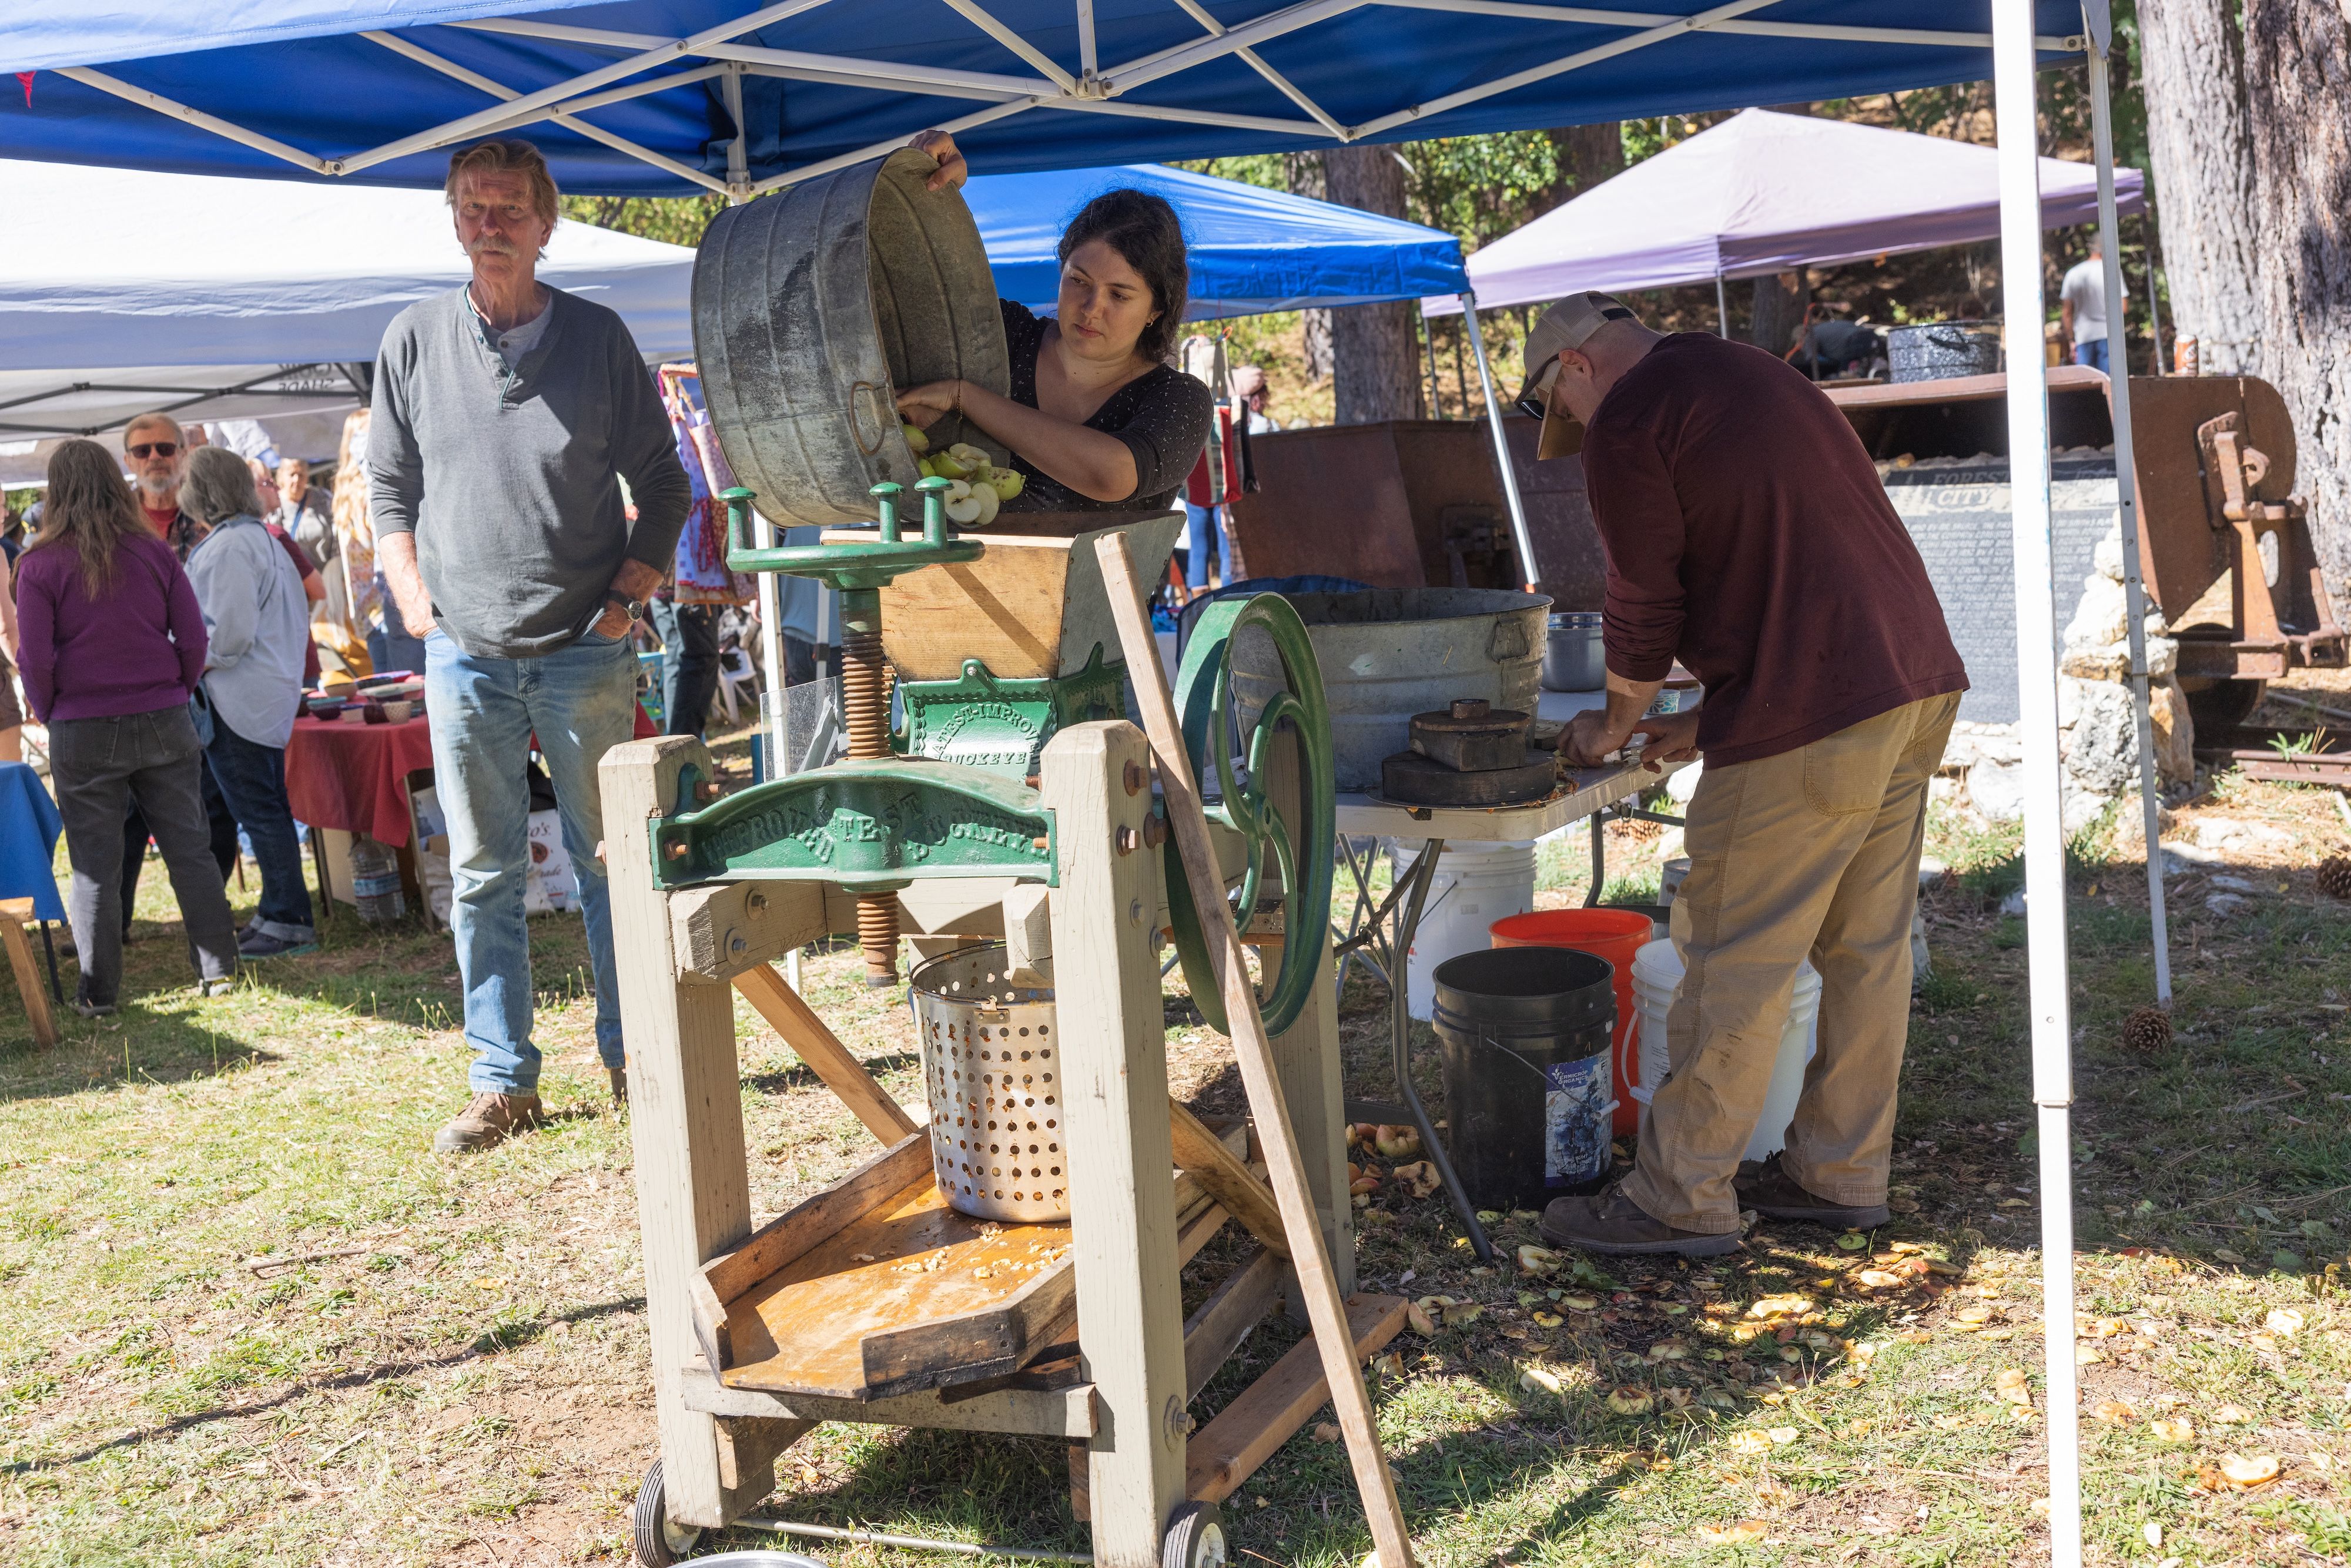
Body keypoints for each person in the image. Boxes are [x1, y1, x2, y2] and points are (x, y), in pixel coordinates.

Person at [1516, 292, 1967, 1257]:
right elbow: (1795, 570)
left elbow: (1640, 594)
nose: (1578, 432)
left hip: (1818, 703)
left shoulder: (1630, 417)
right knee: (1866, 947)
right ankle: (1838, 1171)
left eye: (1565, 411)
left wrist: (1618, 719)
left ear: (1577, 369)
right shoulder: (1749, 372)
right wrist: (1708, 719)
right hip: (1907, 681)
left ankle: (1679, 1194)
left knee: (1735, 950)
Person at [370, 136, 690, 1151]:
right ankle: (503, 1080)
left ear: (546, 222)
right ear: (454, 220)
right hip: (463, 649)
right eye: (473, 207)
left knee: (611, 862)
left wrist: (627, 595)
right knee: (482, 869)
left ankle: (633, 1055)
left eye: (510, 208)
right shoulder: (413, 341)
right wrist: (414, 598)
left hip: (585, 650)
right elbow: (387, 490)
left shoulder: (596, 340)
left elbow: (666, 481)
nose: (490, 225)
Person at [14, 440, 239, 1014]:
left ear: (54, 491)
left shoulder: (38, 564)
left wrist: (49, 708)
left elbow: (34, 658)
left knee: (94, 862)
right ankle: (219, 973)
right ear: (117, 483)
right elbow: (193, 639)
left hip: (83, 724)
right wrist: (176, 690)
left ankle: (98, 994)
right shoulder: (154, 552)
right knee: (190, 849)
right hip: (161, 714)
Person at [893, 130, 1213, 515]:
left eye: (1119, 295)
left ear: (1155, 311)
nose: (1092, 308)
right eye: (1078, 281)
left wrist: (966, 398)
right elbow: (901, 299)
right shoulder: (1003, 332)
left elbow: (1112, 475)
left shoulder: (1178, 398)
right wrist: (925, 193)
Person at [179, 446, 318, 959]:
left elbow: (227, 636)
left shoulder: (231, 547)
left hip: (239, 698)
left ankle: (288, 918)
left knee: (260, 812)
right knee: (260, 809)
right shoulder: (257, 539)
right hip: (258, 693)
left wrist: (182, 658)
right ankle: (279, 910)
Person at [2060, 240, 2125, 375]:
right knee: (2109, 381)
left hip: (2083, 335)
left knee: (2085, 383)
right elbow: (2124, 307)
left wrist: (2071, 340)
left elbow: (2067, 312)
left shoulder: (2073, 273)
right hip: (2109, 335)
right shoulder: (2112, 270)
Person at [1784, 304, 1880, 381]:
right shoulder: (1824, 327)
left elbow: (1813, 359)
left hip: (1853, 343)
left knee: (1842, 376)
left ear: (1801, 337)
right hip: (1869, 336)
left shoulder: (1810, 337)